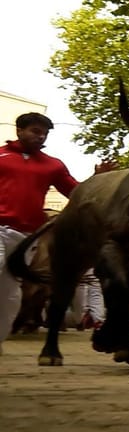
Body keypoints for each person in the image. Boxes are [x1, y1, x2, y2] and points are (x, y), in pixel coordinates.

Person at [0, 112, 77, 351]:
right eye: (35, 131)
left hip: (27, 236)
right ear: (19, 130)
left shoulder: (52, 165)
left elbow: (76, 192)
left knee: (10, 289)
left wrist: (98, 178)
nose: (40, 136)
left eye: (43, 133)